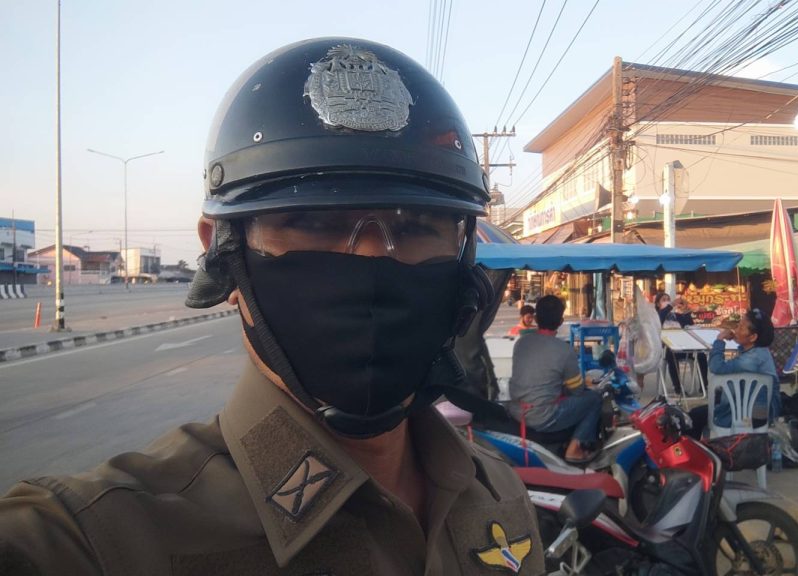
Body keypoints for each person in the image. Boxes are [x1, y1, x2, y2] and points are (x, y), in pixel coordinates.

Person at [0, 38, 543, 575]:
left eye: (417, 227)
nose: (374, 260)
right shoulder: (102, 538)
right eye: (314, 222)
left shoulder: (500, 491)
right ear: (221, 250)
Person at [508, 295, 601, 464]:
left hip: (516, 411)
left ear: (536, 318)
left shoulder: (522, 343)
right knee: (594, 399)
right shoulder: (564, 350)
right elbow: (577, 390)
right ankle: (574, 449)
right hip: (542, 417)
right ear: (560, 321)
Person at [685, 308, 780, 440]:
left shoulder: (750, 360)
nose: (736, 329)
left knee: (694, 416)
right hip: (764, 414)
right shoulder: (761, 353)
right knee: (704, 409)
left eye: (741, 327)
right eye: (738, 325)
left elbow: (716, 366)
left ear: (753, 337)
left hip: (749, 417)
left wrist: (720, 340)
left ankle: (694, 451)